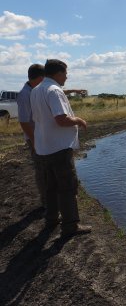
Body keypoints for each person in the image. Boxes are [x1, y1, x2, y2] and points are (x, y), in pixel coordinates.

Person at [30, 59, 91, 238]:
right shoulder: (54, 91)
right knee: (67, 187)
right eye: (65, 73)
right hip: (59, 148)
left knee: (50, 187)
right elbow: (61, 119)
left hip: (43, 147)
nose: (66, 76)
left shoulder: (36, 90)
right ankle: (71, 225)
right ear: (57, 73)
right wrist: (79, 120)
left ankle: (51, 219)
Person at [17, 64, 46, 208]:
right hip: (35, 138)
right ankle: (45, 202)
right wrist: (35, 141)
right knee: (41, 170)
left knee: (45, 168)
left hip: (39, 137)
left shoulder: (34, 90)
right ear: (41, 78)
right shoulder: (25, 94)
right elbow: (23, 122)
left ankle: (48, 200)